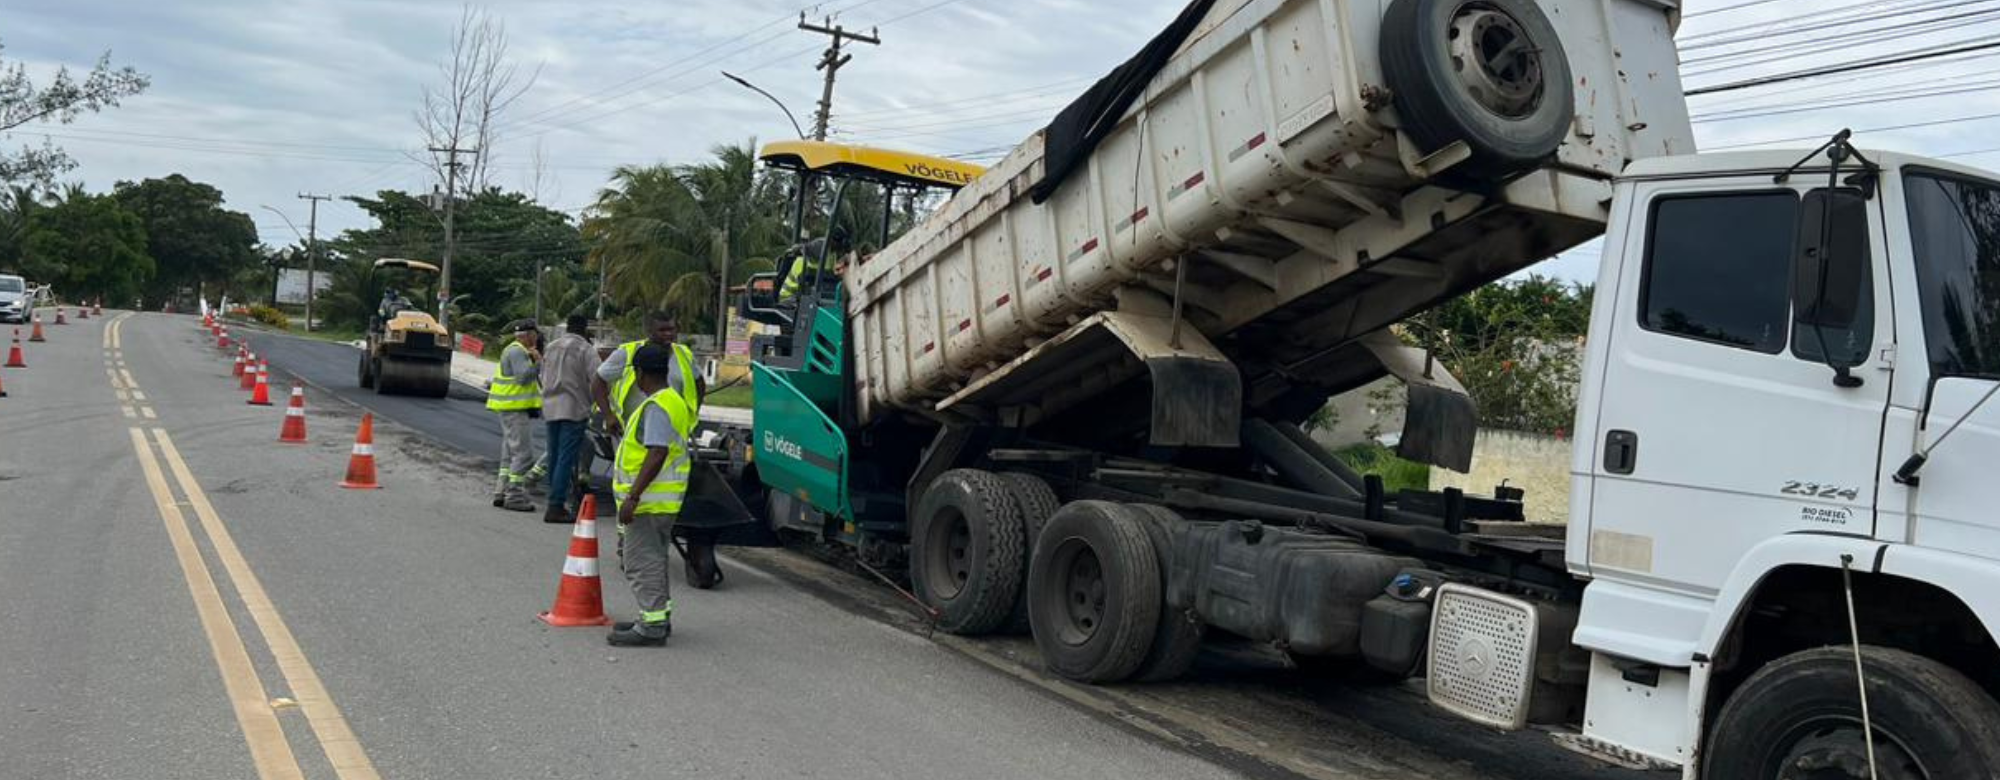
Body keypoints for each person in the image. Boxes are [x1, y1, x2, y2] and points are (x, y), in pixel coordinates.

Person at [607, 344, 697, 647]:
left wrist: (632, 497)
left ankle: (651, 626)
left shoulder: (656, 406)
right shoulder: (674, 400)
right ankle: (658, 617)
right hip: (664, 501)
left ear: (640, 374)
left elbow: (657, 452)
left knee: (639, 561)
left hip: (648, 502)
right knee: (654, 559)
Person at [592, 310, 702, 437]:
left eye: (672, 329)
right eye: (662, 330)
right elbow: (598, 381)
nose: (669, 334)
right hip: (630, 429)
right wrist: (608, 415)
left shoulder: (684, 355)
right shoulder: (628, 353)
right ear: (649, 331)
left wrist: (693, 412)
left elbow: (699, 383)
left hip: (671, 428)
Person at [538, 314, 600, 524]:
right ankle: (556, 505)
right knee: (566, 457)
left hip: (551, 407)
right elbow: (597, 379)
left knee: (555, 456)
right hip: (574, 409)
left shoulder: (552, 346)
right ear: (584, 329)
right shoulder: (586, 349)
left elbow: (542, 375)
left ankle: (553, 500)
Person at [488, 319, 547, 512]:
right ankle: (514, 496)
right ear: (529, 335)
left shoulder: (514, 350)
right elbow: (523, 378)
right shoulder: (517, 351)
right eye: (535, 335)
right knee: (523, 455)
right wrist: (538, 362)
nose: (537, 339)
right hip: (513, 409)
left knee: (509, 454)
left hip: (510, 408)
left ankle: (501, 491)